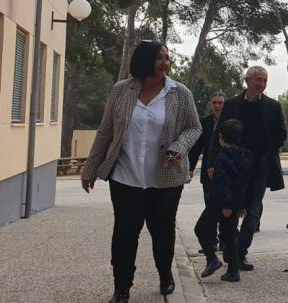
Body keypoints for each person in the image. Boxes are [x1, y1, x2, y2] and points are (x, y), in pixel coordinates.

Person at [81, 41, 202, 302]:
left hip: (166, 180)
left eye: (168, 58)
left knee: (162, 233)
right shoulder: (121, 91)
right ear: (145, 59)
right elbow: (105, 131)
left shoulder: (180, 93)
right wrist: (90, 168)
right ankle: (122, 287)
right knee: (124, 234)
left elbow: (194, 127)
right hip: (126, 177)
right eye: (159, 57)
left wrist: (178, 147)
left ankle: (165, 275)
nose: (165, 63)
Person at [209, 66, 288, 271]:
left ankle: (239, 252)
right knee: (230, 209)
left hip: (259, 166)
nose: (261, 84)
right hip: (233, 165)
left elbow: (281, 134)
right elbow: (218, 135)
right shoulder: (232, 104)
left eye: (264, 80)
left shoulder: (273, 106)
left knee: (253, 211)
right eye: (258, 80)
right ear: (248, 81)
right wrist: (212, 163)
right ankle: (229, 247)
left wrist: (265, 150)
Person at [194, 119, 252, 283]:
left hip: (219, 204)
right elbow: (245, 184)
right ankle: (233, 270)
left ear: (220, 137)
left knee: (200, 229)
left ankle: (212, 258)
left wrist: (226, 205)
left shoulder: (222, 158)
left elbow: (224, 183)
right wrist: (241, 205)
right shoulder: (245, 156)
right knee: (229, 236)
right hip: (235, 204)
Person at [189, 90, 226, 254]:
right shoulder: (204, 123)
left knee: (225, 208)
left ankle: (226, 241)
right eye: (215, 103)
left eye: (220, 102)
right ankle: (210, 243)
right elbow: (196, 148)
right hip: (208, 173)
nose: (217, 105)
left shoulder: (231, 122)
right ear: (211, 104)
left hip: (226, 171)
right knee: (210, 207)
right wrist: (190, 168)